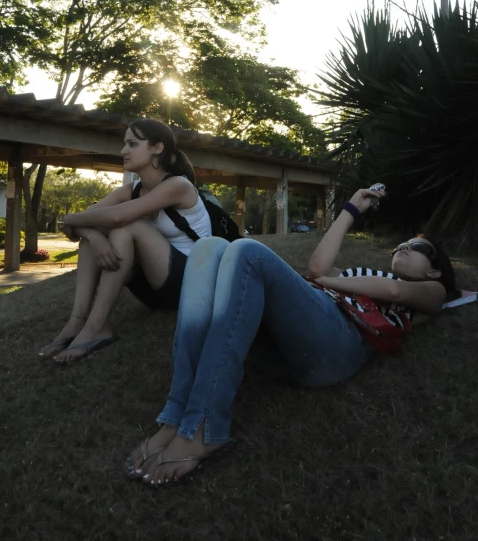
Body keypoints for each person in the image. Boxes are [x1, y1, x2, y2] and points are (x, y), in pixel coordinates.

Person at [126, 184, 455, 486]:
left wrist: (329, 282)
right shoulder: (361, 273)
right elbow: (317, 269)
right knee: (208, 248)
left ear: (434, 269)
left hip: (340, 341)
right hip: (292, 338)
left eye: (417, 246)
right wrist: (352, 209)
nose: (405, 247)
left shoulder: (432, 291)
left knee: (247, 251)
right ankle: (177, 414)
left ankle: (204, 428)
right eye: (402, 244)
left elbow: (393, 292)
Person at [39, 118, 212, 363]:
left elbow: (118, 217)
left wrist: (73, 218)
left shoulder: (178, 185)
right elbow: (76, 227)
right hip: (153, 290)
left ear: (157, 148)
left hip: (190, 285)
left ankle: (97, 327)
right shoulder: (128, 191)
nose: (123, 151)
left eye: (132, 144)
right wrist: (92, 235)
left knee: (126, 226)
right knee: (94, 236)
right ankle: (77, 321)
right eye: (124, 144)